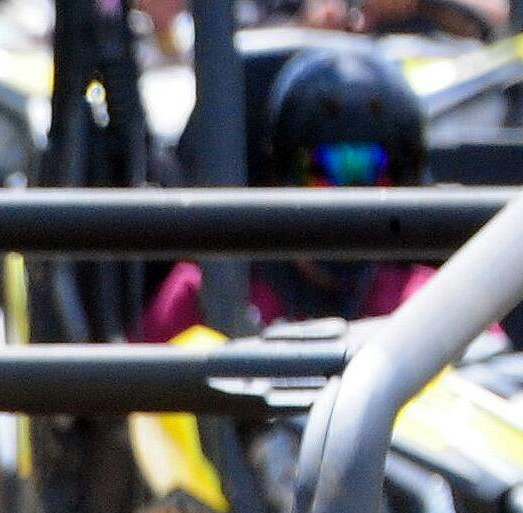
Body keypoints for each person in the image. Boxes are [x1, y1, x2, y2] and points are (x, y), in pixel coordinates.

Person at [142, 46, 439, 340]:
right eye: (324, 171)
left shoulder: (432, 304)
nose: (348, 193)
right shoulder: (203, 298)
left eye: (373, 171)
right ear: (280, 174)